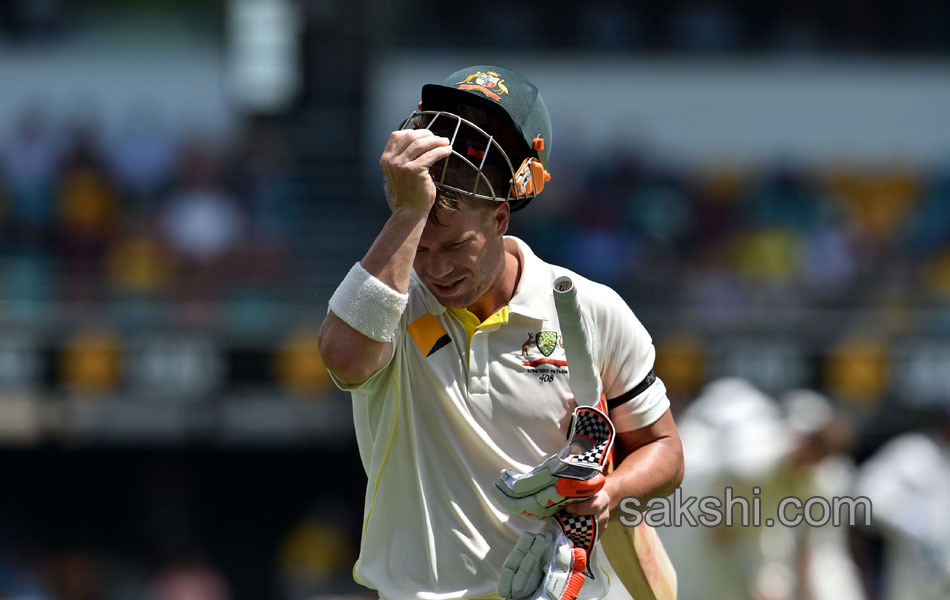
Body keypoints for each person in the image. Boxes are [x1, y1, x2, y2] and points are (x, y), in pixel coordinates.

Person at [318, 65, 684, 600]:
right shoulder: (389, 299)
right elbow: (344, 361)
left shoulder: (592, 309)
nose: (436, 269)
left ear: (499, 220)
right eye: (421, 249)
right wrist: (407, 215)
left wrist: (609, 496)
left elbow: (663, 448)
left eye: (454, 248)